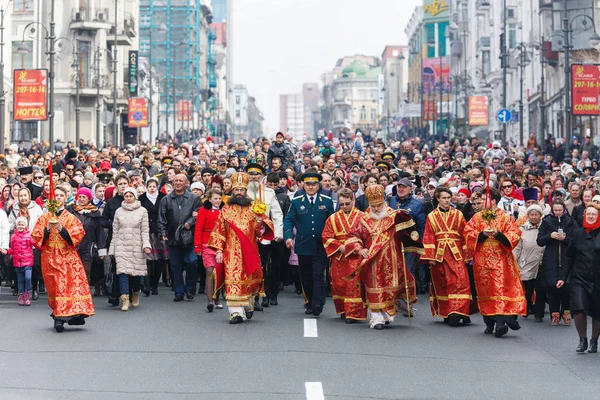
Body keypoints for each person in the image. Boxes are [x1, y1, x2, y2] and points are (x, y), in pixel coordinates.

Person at [344, 185, 423, 330]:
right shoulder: (363, 218)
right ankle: (376, 319)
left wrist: (406, 231)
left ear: (384, 202)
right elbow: (352, 236)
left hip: (393, 258)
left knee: (390, 287)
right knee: (375, 287)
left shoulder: (395, 216)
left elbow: (407, 234)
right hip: (372, 260)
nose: (376, 209)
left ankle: (387, 315)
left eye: (379, 205)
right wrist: (359, 249)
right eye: (373, 206)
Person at [208, 172, 275, 323]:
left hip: (250, 250)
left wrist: (259, 220)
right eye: (236, 190)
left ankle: (248, 305)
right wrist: (218, 250)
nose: (239, 193)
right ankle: (235, 313)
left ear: (246, 191)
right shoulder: (226, 209)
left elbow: (261, 231)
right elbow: (219, 229)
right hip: (230, 252)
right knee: (233, 279)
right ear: (232, 191)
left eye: (241, 190)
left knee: (249, 278)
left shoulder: (253, 207)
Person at [464, 188, 527, 337]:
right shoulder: (478, 217)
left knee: (499, 289)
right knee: (485, 289)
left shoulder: (504, 217)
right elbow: (467, 233)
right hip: (482, 260)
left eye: (484, 199)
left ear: (492, 201)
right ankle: (489, 321)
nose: (480, 202)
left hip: (501, 260)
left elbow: (515, 233)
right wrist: (481, 234)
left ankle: (500, 322)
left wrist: (498, 235)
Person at [31, 185, 95, 332]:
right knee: (53, 287)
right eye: (55, 196)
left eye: (61, 195)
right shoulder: (44, 217)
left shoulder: (71, 218)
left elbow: (76, 237)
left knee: (64, 286)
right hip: (49, 257)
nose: (58, 198)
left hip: (67, 257)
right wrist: (47, 229)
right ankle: (57, 313)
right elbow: (37, 238)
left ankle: (60, 319)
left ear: (65, 198)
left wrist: (60, 228)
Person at [284, 172, 334, 317]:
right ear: (303, 185)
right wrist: (288, 237)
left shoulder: (326, 201)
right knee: (306, 275)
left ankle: (318, 303)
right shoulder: (296, 201)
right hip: (303, 243)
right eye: (308, 184)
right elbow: (289, 220)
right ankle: (309, 302)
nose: (311, 187)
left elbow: (332, 221)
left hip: (320, 244)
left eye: (313, 184)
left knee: (318, 274)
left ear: (318, 185)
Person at [421, 187, 473, 326]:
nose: (446, 200)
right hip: (439, 255)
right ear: (438, 199)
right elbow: (428, 236)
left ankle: (458, 311)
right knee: (442, 282)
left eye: (448, 198)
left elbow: (465, 235)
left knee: (460, 281)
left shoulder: (458, 214)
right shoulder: (431, 216)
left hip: (456, 254)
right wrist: (430, 256)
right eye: (444, 198)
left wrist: (467, 255)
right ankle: (447, 312)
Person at [559, 203, 600, 353]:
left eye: (593, 214)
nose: (590, 217)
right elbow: (568, 257)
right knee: (578, 308)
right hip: (579, 277)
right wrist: (562, 277)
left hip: (597, 278)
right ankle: (582, 340)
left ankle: (594, 341)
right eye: (588, 214)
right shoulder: (577, 233)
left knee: (597, 312)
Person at [321, 188, 366, 323]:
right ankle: (343, 309)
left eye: (347, 203)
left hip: (356, 256)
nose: (345, 207)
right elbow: (326, 236)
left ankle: (353, 313)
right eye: (342, 204)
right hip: (339, 255)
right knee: (338, 283)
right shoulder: (333, 218)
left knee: (354, 284)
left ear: (353, 201)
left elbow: (367, 236)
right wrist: (340, 247)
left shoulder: (362, 216)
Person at [245, 163, 284, 309]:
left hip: (264, 237)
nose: (254, 176)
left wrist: (278, 234)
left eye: (257, 174)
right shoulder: (241, 191)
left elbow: (277, 214)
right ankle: (247, 296)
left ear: (262, 176)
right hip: (246, 237)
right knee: (247, 267)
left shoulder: (269, 192)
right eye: (251, 174)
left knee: (263, 266)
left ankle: (259, 296)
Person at [158, 174, 201, 302]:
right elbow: (161, 219)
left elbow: (199, 213)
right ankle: (179, 291)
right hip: (173, 237)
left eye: (180, 180)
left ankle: (190, 288)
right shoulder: (166, 199)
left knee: (191, 261)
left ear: (186, 183)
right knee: (175, 265)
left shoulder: (194, 198)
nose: (178, 183)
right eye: (175, 180)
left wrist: (190, 221)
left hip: (189, 237)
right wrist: (162, 233)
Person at [108, 187, 151, 311]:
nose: (128, 198)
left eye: (130, 196)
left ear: (135, 196)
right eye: (126, 196)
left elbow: (145, 230)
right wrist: (112, 249)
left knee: (136, 274)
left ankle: (136, 294)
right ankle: (125, 300)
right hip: (121, 246)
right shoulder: (118, 211)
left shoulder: (143, 211)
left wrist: (146, 245)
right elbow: (115, 232)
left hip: (137, 246)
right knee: (122, 273)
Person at [535, 199, 576, 325]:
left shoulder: (570, 221)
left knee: (566, 286)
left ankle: (566, 312)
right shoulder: (547, 221)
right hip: (551, 259)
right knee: (552, 286)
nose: (558, 213)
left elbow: (576, 240)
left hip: (566, 258)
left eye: (560, 210)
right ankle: (554, 313)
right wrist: (550, 236)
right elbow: (539, 241)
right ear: (552, 210)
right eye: (555, 210)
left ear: (564, 210)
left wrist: (565, 239)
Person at [70, 187, 107, 296]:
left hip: (88, 247)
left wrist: (101, 249)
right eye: (79, 197)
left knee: (86, 272)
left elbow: (100, 232)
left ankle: (83, 294)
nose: (81, 199)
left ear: (89, 198)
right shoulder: (71, 210)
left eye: (84, 197)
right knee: (73, 272)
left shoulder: (95, 212)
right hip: (73, 247)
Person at [194, 189, 224, 312]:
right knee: (209, 271)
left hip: (221, 246)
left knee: (219, 272)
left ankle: (217, 299)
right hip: (207, 244)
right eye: (215, 198)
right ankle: (209, 301)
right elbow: (198, 229)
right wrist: (198, 246)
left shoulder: (225, 210)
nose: (217, 201)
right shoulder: (203, 210)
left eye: (219, 198)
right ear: (210, 199)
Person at [513, 205, 545, 317]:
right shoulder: (522, 229)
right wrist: (513, 261)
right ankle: (528, 305)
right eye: (532, 215)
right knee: (527, 287)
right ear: (528, 216)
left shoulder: (545, 227)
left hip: (541, 262)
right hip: (526, 262)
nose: (534, 217)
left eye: (536, 215)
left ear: (541, 216)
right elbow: (517, 247)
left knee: (540, 289)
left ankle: (538, 313)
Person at [138, 177, 167, 296]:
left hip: (160, 230)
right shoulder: (142, 198)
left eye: (154, 186)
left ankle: (155, 285)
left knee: (159, 259)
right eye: (150, 186)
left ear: (157, 187)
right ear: (146, 187)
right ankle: (147, 284)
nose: (152, 188)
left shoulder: (162, 197)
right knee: (148, 259)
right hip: (147, 229)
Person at [9, 216, 34, 306]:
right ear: (16, 225)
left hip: (27, 262)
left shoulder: (29, 235)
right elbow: (12, 249)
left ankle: (27, 295)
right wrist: (6, 251)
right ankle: (20, 296)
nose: (20, 226)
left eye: (22, 225)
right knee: (20, 280)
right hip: (17, 262)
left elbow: (35, 243)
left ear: (25, 226)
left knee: (27, 278)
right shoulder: (13, 236)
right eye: (19, 224)